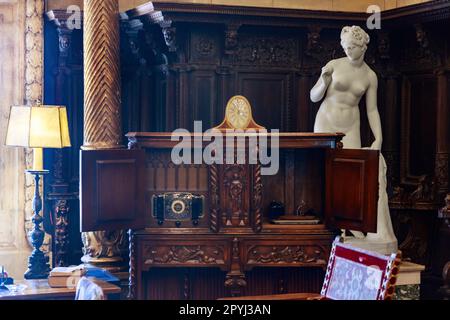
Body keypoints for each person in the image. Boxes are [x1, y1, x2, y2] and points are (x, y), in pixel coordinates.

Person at [311, 26, 397, 254]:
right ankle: (329, 225)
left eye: (352, 47)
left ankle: (352, 225)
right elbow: (314, 96)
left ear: (363, 47)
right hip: (326, 121)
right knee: (326, 172)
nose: (348, 50)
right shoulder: (334, 65)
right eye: (345, 47)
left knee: (352, 175)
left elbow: (372, 110)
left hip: (351, 125)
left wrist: (378, 138)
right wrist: (323, 79)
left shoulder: (370, 76)